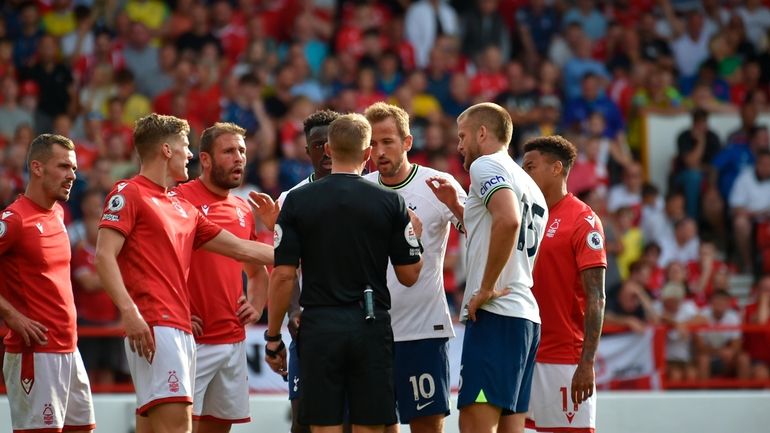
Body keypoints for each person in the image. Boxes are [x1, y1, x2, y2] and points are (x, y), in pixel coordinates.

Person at [94, 114, 273, 433]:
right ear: (166, 150)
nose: (189, 154)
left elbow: (243, 250)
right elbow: (104, 255)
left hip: (180, 330)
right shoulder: (131, 192)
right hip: (156, 324)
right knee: (177, 427)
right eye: (184, 146)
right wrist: (129, 311)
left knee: (158, 427)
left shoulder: (181, 209)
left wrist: (308, 253)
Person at [263, 113, 424, 433]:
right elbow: (409, 275)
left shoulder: (296, 201)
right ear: (367, 155)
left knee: (323, 426)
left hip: (320, 326)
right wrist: (414, 240)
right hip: (371, 323)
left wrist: (272, 338)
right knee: (371, 425)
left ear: (329, 151)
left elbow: (282, 276)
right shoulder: (391, 202)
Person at [429, 102, 548, 433]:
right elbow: (494, 227)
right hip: (525, 316)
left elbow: (507, 219)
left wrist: (485, 287)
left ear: (483, 133)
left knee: (475, 427)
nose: (459, 146)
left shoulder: (484, 165)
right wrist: (457, 205)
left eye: (463, 136)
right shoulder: (531, 186)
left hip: (497, 313)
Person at [363, 102, 467, 433]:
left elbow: (480, 236)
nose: (379, 151)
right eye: (373, 144)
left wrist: (456, 206)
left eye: (387, 142)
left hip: (424, 330)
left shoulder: (438, 184)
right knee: (374, 425)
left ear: (407, 142)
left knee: (427, 425)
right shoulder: (361, 189)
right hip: (372, 330)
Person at [172, 122, 270, 433]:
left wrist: (255, 304)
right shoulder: (178, 199)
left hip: (232, 338)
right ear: (205, 159)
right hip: (190, 340)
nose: (239, 158)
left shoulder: (242, 207)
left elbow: (256, 269)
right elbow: (156, 264)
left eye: (241, 151)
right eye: (228, 151)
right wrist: (177, 312)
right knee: (175, 426)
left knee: (219, 427)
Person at [250, 109, 342, 433]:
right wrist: (293, 310)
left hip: (363, 322)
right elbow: (286, 266)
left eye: (332, 143)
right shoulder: (291, 199)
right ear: (307, 151)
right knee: (303, 422)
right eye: (318, 145)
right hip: (313, 324)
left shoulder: (372, 190)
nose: (326, 151)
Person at [0, 134, 95, 433]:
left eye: (75, 169)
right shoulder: (14, 220)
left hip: (70, 349)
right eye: (64, 167)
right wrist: (12, 316)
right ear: (37, 168)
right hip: (35, 353)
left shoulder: (58, 212)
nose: (72, 176)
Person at [520, 135, 607, 433]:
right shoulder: (527, 216)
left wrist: (586, 364)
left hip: (564, 360)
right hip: (526, 353)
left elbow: (597, 296)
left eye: (531, 166)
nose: (524, 173)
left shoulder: (583, 220)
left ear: (556, 168)